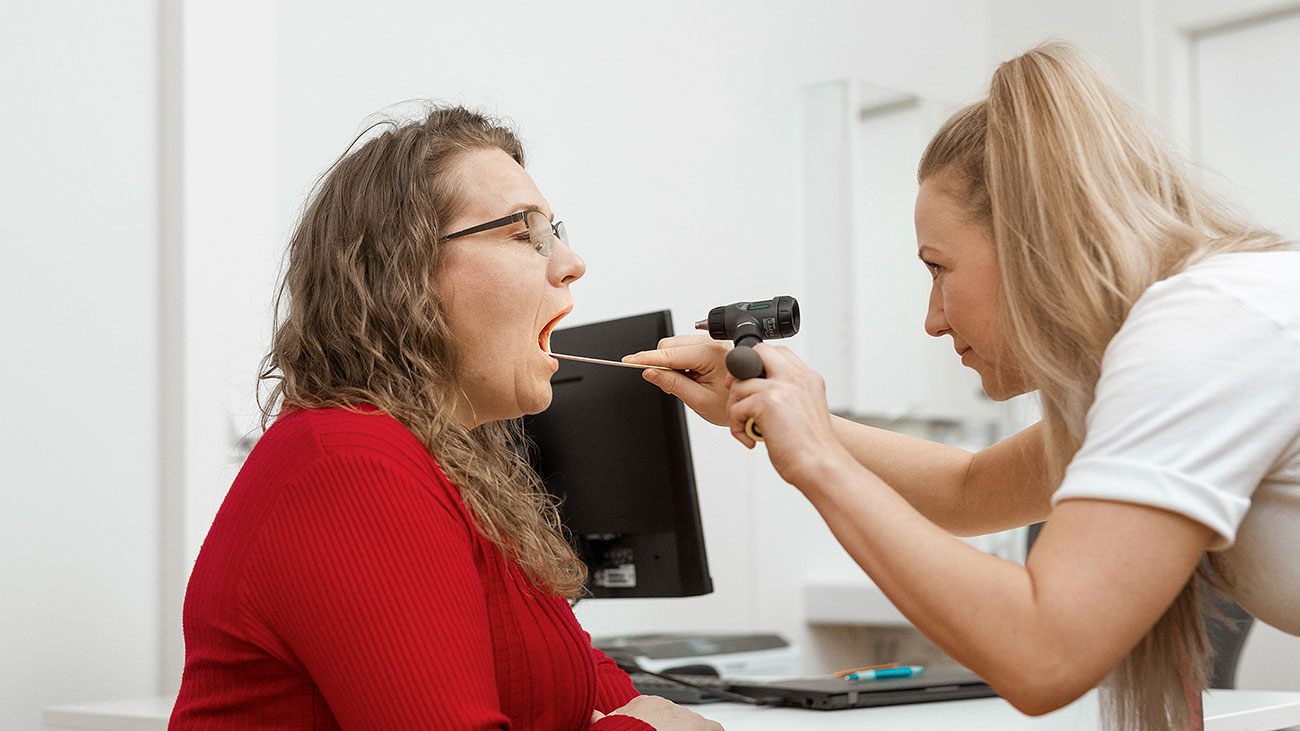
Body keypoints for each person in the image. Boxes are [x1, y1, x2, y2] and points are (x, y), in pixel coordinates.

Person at [627, 42, 1300, 731]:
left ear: (1031, 238)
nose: (933, 319)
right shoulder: (1192, 331)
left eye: (938, 268)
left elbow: (1044, 653)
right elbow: (970, 488)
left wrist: (817, 461)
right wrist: (779, 410)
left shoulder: (1204, 329)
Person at [169, 106, 721, 731]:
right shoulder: (350, 465)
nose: (571, 263)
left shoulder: (452, 465)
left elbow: (577, 676)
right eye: (524, 234)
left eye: (555, 232)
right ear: (403, 275)